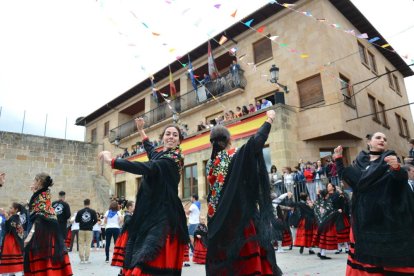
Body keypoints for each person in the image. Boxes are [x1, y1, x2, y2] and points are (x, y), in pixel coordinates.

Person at [99, 117, 188, 275]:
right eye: (168, 134)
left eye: (175, 135)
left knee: (149, 252)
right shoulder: (163, 155)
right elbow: (151, 150)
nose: (171, 137)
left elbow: (147, 166)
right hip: (153, 211)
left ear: (179, 140)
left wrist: (111, 161)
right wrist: (141, 131)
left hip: (164, 214)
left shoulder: (172, 160)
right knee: (140, 248)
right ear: (162, 138)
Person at [206, 110, 282, 275]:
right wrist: (269, 119)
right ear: (230, 140)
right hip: (239, 220)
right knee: (246, 264)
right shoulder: (235, 155)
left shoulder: (211, 165)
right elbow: (256, 142)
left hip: (217, 222)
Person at [335, 132, 414, 275]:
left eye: (385, 139)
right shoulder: (359, 161)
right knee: (368, 262)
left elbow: (400, 181)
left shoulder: (390, 158)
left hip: (386, 217)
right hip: (364, 217)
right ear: (369, 142)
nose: (382, 140)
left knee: (389, 261)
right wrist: (339, 160)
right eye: (378, 138)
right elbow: (353, 181)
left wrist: (396, 168)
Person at [24, 172, 73, 275]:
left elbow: (38, 216)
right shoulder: (44, 193)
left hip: (43, 232)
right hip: (47, 229)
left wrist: (29, 237)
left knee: (43, 255)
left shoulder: (42, 196)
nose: (32, 183)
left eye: (34, 180)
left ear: (39, 182)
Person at [0, 202, 24, 275]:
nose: (9, 209)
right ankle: (10, 273)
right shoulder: (14, 217)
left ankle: (13, 272)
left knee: (12, 258)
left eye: (11, 208)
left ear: (16, 209)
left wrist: (6, 216)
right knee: (10, 259)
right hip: (10, 240)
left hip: (11, 241)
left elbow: (11, 227)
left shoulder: (15, 218)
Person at [326, 183, 350, 254]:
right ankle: (338, 248)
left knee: (342, 231)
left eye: (329, 186)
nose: (328, 187)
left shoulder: (337, 194)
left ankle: (347, 247)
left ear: (333, 187)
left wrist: (341, 209)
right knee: (335, 232)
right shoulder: (327, 196)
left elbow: (343, 202)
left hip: (340, 214)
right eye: (327, 186)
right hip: (333, 215)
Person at [112, 200, 134, 272]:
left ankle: (124, 270)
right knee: (125, 254)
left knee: (126, 254)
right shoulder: (127, 214)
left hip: (126, 235)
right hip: (126, 236)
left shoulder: (129, 214)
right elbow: (128, 221)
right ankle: (124, 270)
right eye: (134, 206)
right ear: (130, 207)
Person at [75, 199, 98, 264]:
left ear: (84, 203)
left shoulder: (80, 211)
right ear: (89, 203)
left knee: (81, 244)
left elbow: (76, 220)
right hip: (89, 230)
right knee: (88, 244)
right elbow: (96, 220)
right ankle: (87, 259)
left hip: (81, 229)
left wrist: (82, 222)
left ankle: (82, 259)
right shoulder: (93, 211)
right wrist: (91, 225)